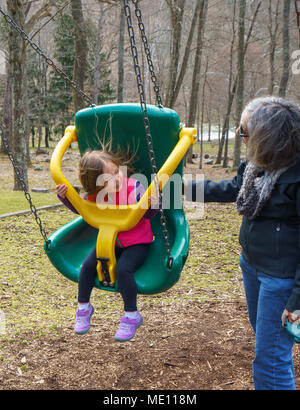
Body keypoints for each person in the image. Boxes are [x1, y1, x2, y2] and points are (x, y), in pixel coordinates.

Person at [184, 96, 300, 390]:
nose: (240, 136)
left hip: (281, 279)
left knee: (270, 358)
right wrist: (174, 190)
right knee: (268, 340)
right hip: (252, 266)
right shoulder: (258, 167)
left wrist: (297, 300)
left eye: (245, 132)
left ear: (270, 138)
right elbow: (230, 189)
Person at [56, 150, 159, 342]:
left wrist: (153, 204)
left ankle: (131, 315)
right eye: (108, 179)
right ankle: (84, 308)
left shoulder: (135, 187)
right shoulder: (96, 196)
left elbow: (148, 215)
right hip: (111, 242)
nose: (116, 178)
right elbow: (82, 210)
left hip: (138, 242)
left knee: (123, 269)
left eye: (116, 172)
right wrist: (65, 197)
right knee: (87, 267)